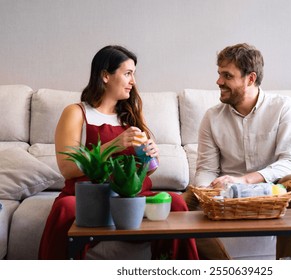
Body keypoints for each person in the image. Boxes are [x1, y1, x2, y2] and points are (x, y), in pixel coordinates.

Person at [38, 45, 199, 260]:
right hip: (91, 199)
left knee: (176, 202)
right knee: (66, 208)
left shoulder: (130, 115)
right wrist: (115, 144)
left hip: (133, 197)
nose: (133, 81)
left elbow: (147, 171)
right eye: (127, 74)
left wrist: (151, 157)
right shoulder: (77, 113)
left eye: (133, 74)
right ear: (105, 76)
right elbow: (67, 168)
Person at [190, 43, 291, 260]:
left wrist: (245, 180)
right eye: (219, 74)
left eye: (227, 76)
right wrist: (207, 191)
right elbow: (206, 169)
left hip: (272, 189)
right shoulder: (212, 117)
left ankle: (287, 265)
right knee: (184, 201)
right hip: (227, 194)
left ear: (251, 78)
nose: (219, 82)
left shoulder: (283, 107)